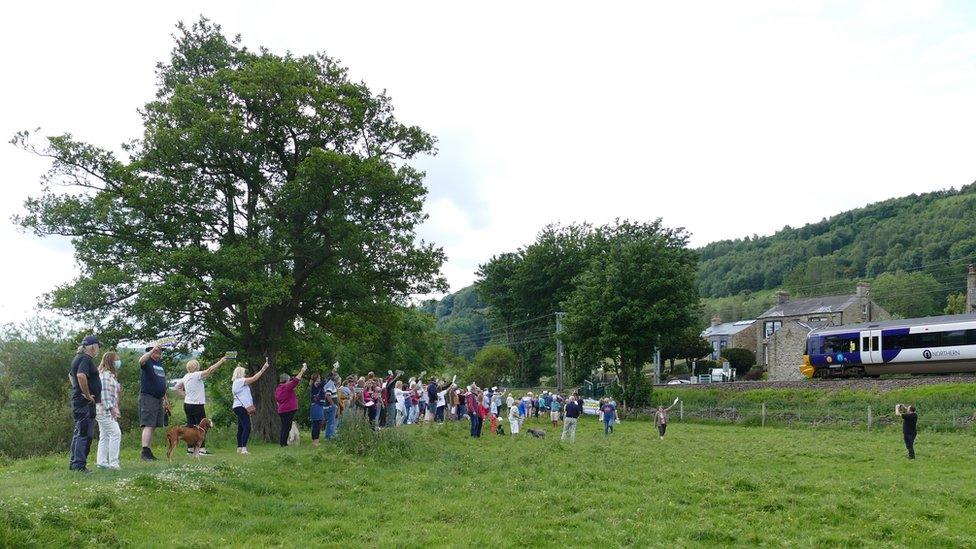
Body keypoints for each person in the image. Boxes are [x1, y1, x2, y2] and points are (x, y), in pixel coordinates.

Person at [174, 355, 227, 455]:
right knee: (202, 427)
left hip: (187, 404)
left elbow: (177, 387)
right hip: (197, 405)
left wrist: (185, 396)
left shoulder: (186, 376)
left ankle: (190, 449)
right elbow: (209, 370)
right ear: (196, 367)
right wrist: (221, 361)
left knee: (190, 427)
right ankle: (201, 449)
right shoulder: (196, 375)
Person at [69, 335, 102, 472]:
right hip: (84, 403)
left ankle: (75, 463)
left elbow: (70, 375)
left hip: (80, 400)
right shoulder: (85, 359)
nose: (98, 349)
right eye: (98, 346)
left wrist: (77, 388)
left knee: (79, 432)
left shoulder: (78, 358)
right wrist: (87, 394)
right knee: (84, 433)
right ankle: (79, 465)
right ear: (93, 346)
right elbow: (80, 375)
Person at [138, 344, 171, 461]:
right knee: (148, 424)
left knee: (154, 425)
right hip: (148, 397)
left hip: (159, 398)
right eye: (157, 351)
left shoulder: (159, 364)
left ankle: (148, 450)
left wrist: (166, 400)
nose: (159, 352)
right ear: (150, 351)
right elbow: (141, 361)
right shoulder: (147, 363)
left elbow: (161, 383)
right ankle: (144, 451)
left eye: (160, 351)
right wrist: (152, 350)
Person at [231, 359, 270, 454]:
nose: (245, 374)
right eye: (244, 373)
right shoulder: (240, 381)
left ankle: (239, 447)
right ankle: (244, 448)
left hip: (238, 406)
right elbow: (254, 379)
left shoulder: (236, 382)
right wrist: (263, 369)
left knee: (241, 427)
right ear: (240, 373)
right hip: (242, 407)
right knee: (247, 427)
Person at [95, 351, 123, 469]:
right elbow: (104, 394)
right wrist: (111, 408)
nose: (118, 361)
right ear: (111, 361)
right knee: (116, 433)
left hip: (103, 409)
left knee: (105, 435)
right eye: (116, 359)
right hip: (104, 410)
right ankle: (113, 463)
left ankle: (101, 461)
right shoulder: (106, 375)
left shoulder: (108, 375)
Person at [275, 363, 308, 447]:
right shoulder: (286, 386)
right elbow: (296, 381)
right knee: (287, 427)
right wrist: (302, 371)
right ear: (287, 380)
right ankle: (283, 444)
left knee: (284, 427)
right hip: (288, 410)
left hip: (282, 410)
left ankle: (283, 442)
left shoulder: (279, 388)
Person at [309, 372, 326, 447]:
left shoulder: (316, 385)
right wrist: (332, 372)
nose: (320, 379)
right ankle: (315, 440)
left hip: (319, 405)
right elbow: (323, 383)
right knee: (316, 423)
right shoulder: (315, 384)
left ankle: (316, 439)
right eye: (319, 377)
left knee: (318, 422)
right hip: (316, 405)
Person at [323, 370, 339, 440]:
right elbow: (328, 395)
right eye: (337, 376)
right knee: (331, 422)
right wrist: (333, 405)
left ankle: (329, 435)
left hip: (329, 406)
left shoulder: (331, 384)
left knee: (331, 422)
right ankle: (329, 437)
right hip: (330, 407)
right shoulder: (330, 384)